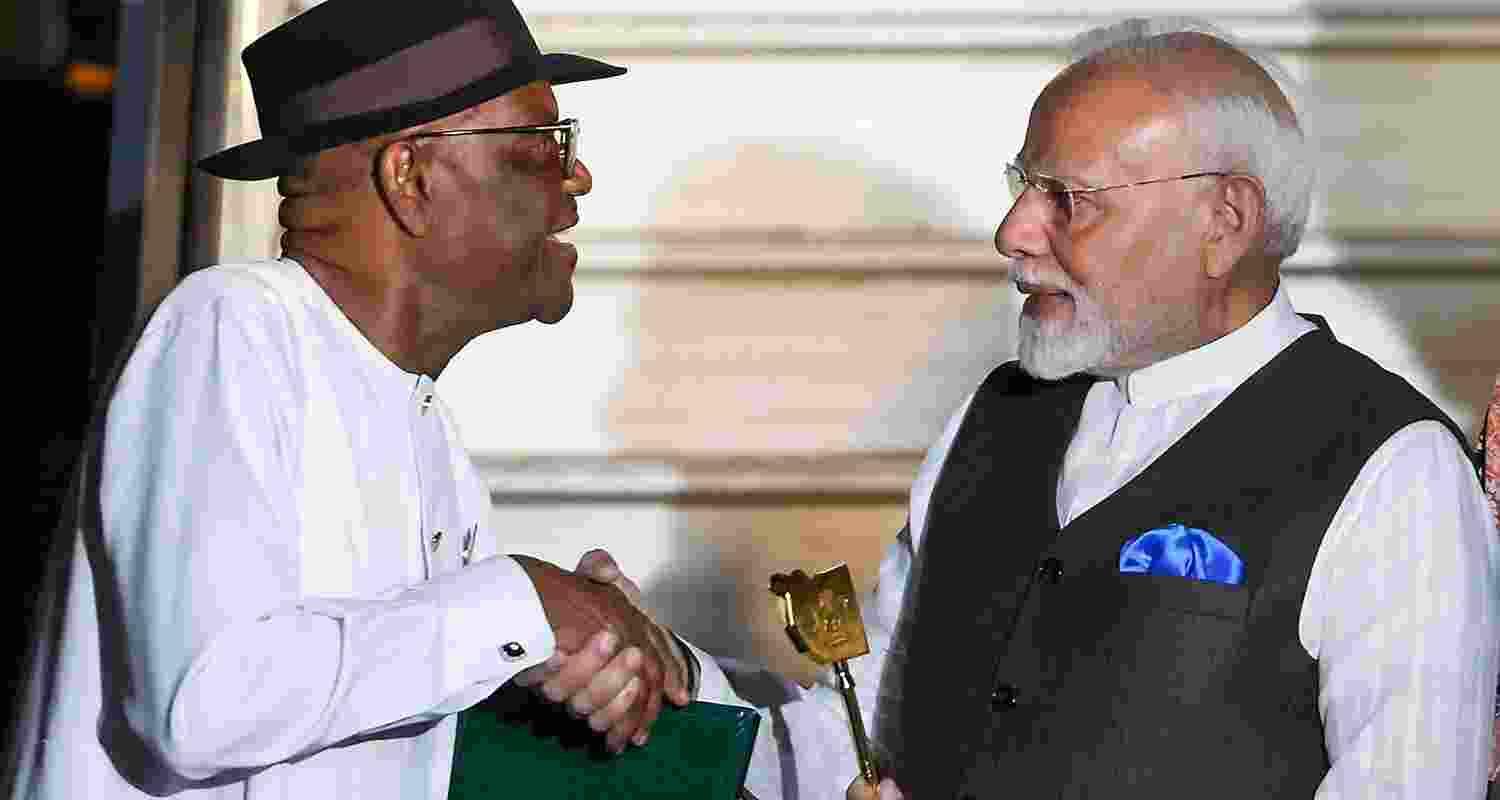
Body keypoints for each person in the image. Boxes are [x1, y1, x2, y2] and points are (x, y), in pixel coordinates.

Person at [730, 17, 1500, 800]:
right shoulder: (992, 421)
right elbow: (855, 744)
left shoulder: (1394, 468)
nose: (1012, 233)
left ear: (1224, 221)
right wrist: (669, 678)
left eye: (1067, 198)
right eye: (1021, 186)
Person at [4, 1, 717, 797]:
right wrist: (527, 601)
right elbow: (202, 702)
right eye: (543, 144)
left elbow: (375, 698)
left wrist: (573, 665)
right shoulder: (230, 324)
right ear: (410, 177)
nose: (576, 174)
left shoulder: (424, 428)